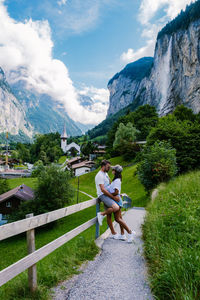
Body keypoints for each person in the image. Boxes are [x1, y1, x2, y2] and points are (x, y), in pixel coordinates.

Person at [107, 165, 135, 243]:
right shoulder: (116, 180)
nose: (112, 170)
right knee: (119, 218)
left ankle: (130, 232)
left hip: (116, 201)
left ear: (115, 171)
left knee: (117, 219)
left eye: (113, 169)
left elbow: (116, 192)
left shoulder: (117, 181)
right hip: (117, 200)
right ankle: (123, 234)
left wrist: (108, 194)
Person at [95, 160, 120, 238]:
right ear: (103, 166)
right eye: (108, 167)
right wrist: (113, 197)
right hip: (103, 195)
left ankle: (113, 233)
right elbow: (102, 189)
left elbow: (109, 183)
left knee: (109, 215)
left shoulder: (105, 173)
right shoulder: (99, 175)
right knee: (116, 207)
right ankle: (101, 214)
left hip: (107, 194)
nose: (109, 168)